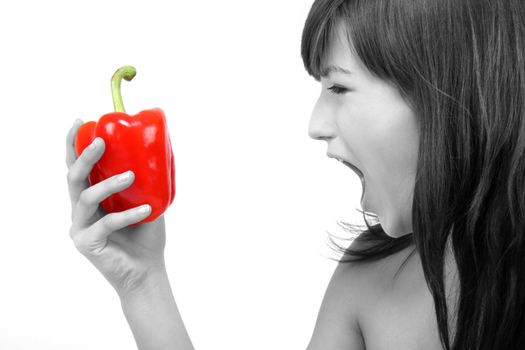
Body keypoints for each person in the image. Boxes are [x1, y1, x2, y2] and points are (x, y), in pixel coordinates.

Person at [65, 0, 525, 349]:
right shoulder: (369, 277)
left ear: (448, 94)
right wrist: (142, 281)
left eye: (340, 87)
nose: (316, 124)